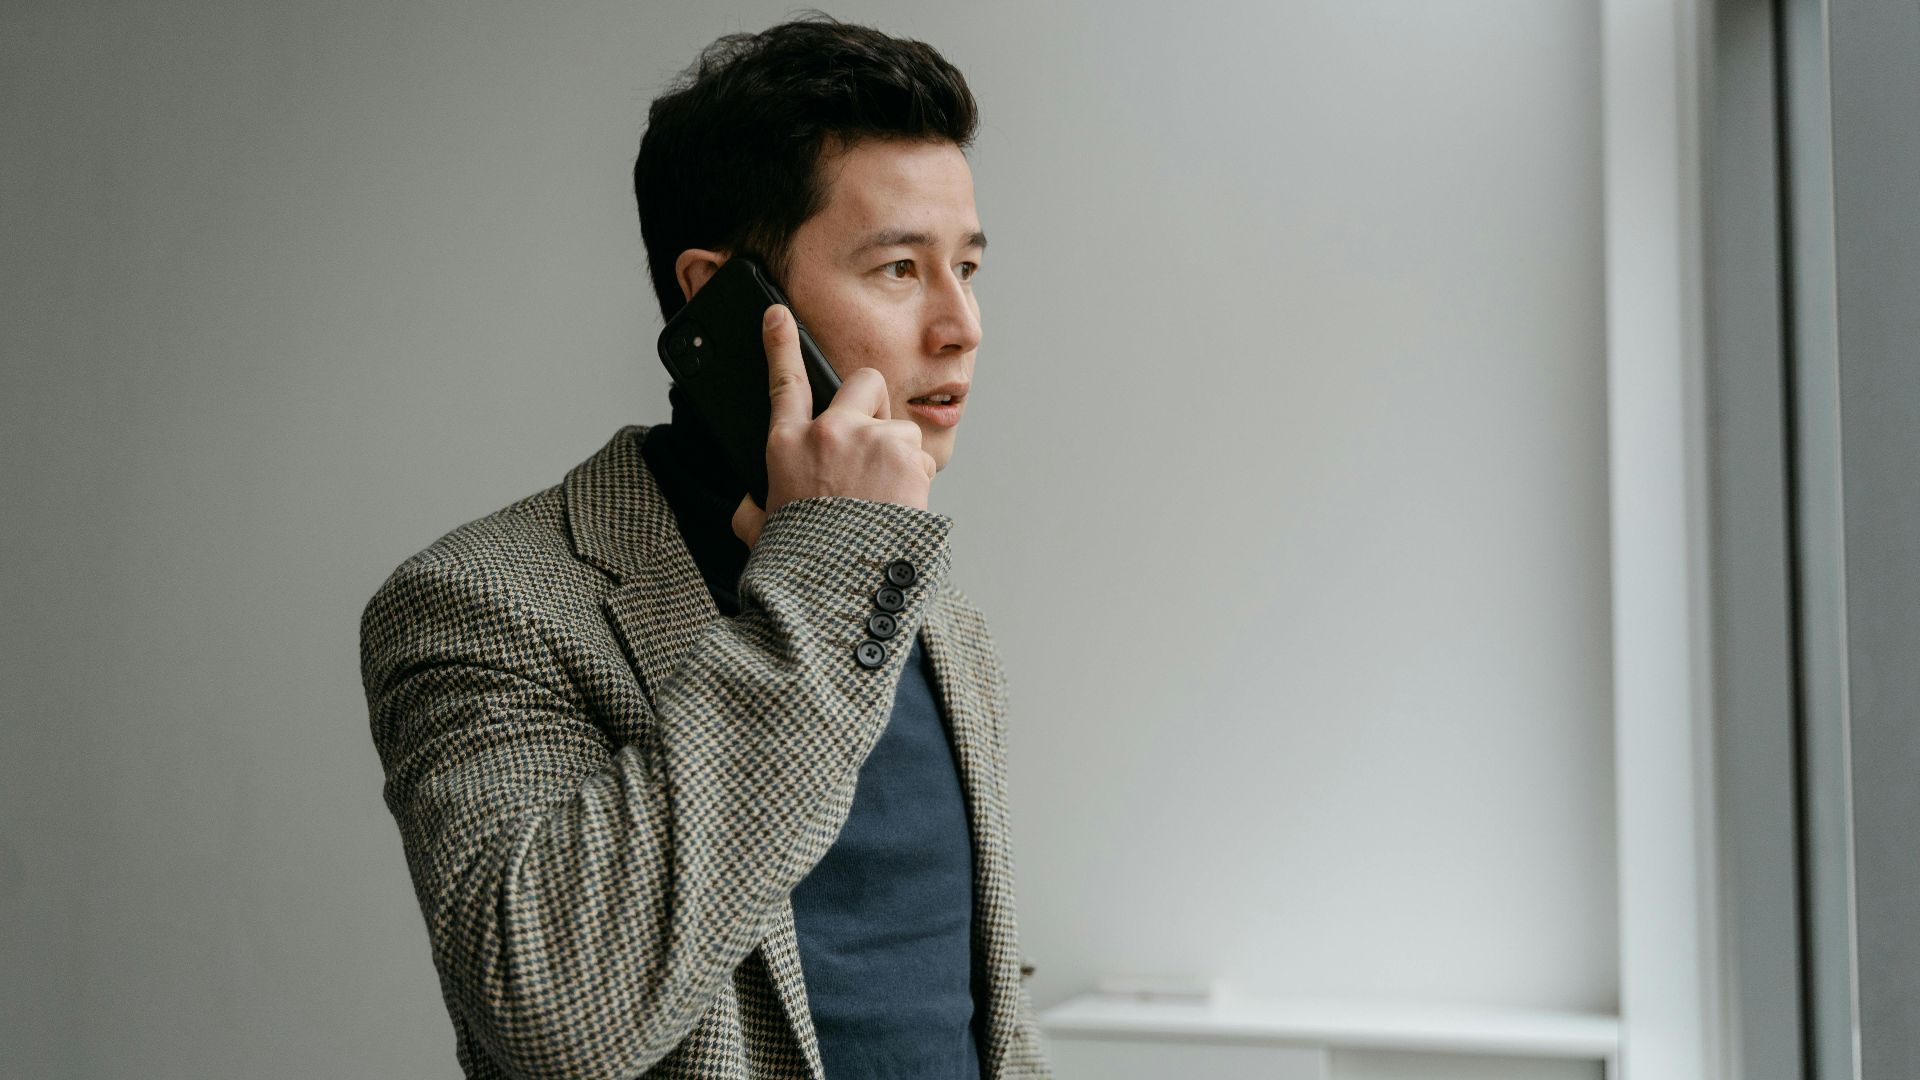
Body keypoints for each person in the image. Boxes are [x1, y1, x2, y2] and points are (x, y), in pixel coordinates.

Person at [358, 15, 1052, 1079]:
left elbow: (976, 1016)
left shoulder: (936, 623)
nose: (962, 325)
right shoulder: (480, 601)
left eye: (967, 265)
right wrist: (825, 575)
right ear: (722, 298)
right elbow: (558, 1016)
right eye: (900, 270)